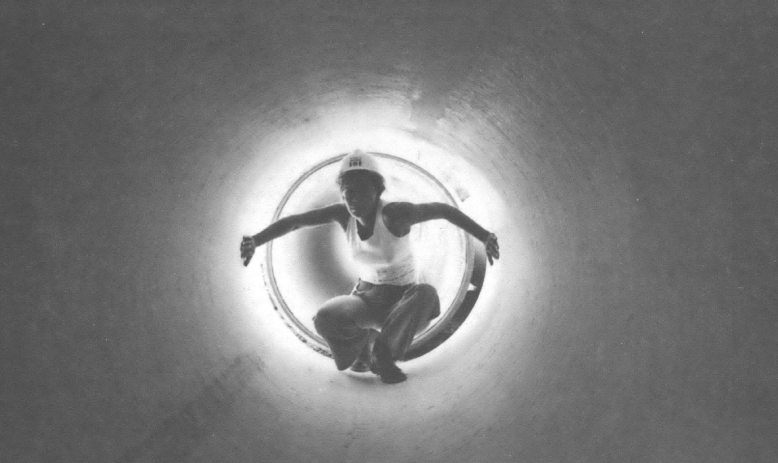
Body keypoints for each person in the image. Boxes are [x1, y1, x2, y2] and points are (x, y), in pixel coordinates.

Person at [240, 151, 499, 384]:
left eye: (361, 191)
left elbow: (443, 210)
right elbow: (296, 222)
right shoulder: (343, 215)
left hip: (403, 302)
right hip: (366, 298)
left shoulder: (395, 214)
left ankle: (383, 355)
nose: (353, 199)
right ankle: (360, 351)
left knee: (427, 294)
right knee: (326, 317)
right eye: (347, 192)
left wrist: (485, 236)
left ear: (377, 190)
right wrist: (256, 240)